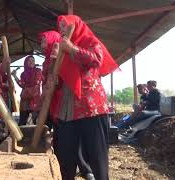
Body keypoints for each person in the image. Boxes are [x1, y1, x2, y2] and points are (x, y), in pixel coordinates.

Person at [48, 15, 118, 180]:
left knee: (96, 155)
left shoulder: (90, 42)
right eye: (61, 27)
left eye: (65, 26)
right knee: (65, 156)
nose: (62, 30)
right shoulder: (61, 51)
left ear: (76, 26)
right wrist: (53, 79)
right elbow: (60, 77)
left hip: (90, 108)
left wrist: (72, 49)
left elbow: (96, 60)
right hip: (67, 111)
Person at [39, 30, 94, 180]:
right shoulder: (47, 58)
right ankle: (61, 166)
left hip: (61, 99)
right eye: (42, 42)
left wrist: (54, 61)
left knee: (71, 137)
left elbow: (60, 77)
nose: (42, 45)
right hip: (52, 99)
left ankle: (84, 168)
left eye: (44, 41)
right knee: (62, 138)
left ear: (52, 41)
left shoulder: (62, 54)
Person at [12, 55, 43, 125]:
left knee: (37, 122)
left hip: (35, 101)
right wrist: (14, 75)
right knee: (22, 122)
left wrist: (25, 88)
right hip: (25, 102)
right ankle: (23, 136)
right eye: (29, 60)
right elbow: (22, 84)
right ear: (26, 62)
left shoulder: (38, 71)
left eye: (33, 60)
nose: (32, 62)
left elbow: (36, 82)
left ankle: (37, 136)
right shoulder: (23, 74)